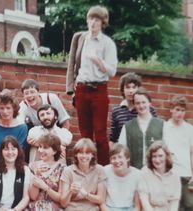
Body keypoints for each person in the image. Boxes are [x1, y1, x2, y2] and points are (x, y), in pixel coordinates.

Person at [66, 5, 118, 165]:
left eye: (97, 19)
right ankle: (86, 168)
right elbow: (72, 64)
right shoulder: (79, 38)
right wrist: (71, 89)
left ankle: (103, 169)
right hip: (81, 89)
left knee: (101, 136)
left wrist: (98, 61)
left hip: (99, 90)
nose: (93, 22)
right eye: (91, 18)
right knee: (85, 134)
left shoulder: (107, 43)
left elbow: (112, 71)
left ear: (103, 23)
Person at [163, 95, 193, 211]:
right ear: (171, 109)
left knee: (190, 205)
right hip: (170, 174)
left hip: (186, 175)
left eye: (183, 110)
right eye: (177, 109)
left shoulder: (190, 129)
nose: (180, 113)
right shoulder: (164, 127)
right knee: (172, 207)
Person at [118, 88, 164, 169]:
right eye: (138, 103)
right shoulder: (127, 126)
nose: (141, 106)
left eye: (143, 102)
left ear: (149, 103)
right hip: (133, 171)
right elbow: (121, 151)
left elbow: (168, 151)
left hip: (156, 172)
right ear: (134, 105)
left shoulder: (162, 124)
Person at [110, 72, 157, 145]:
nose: (131, 91)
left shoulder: (148, 109)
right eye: (127, 87)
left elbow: (155, 134)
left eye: (134, 87)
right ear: (123, 90)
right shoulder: (117, 110)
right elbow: (113, 138)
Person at [60, 138, 106, 211]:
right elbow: (63, 203)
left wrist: (86, 195)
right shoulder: (68, 171)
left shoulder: (99, 170)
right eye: (81, 153)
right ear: (76, 155)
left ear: (92, 155)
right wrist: (70, 191)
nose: (84, 156)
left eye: (87, 153)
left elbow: (101, 199)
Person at [138, 141, 181, 211]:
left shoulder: (175, 173)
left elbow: (175, 202)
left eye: (160, 156)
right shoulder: (145, 172)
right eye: (154, 156)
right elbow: (144, 199)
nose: (157, 160)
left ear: (166, 156)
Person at [28, 133, 66, 210]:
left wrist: (45, 187)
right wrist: (37, 174)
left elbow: (61, 199)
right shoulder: (32, 166)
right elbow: (33, 196)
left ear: (54, 151)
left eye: (45, 148)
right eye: (40, 147)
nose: (40, 150)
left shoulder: (62, 169)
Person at [102, 143, 141, 211]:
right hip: (109, 208)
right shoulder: (105, 171)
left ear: (127, 158)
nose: (117, 161)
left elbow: (137, 207)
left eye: (120, 157)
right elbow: (102, 203)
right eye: (113, 158)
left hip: (130, 208)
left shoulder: (137, 175)